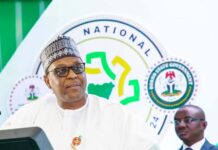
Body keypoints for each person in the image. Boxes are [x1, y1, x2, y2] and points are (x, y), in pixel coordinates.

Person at [0, 36, 159, 150]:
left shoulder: (118, 115)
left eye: (77, 68)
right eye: (61, 70)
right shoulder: (28, 116)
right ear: (47, 81)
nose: (72, 75)